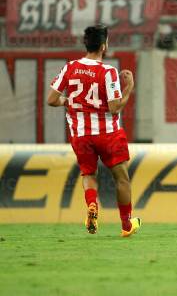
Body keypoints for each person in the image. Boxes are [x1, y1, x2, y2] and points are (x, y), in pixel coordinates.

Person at [46, 24, 141, 237]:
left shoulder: (70, 67)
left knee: (88, 174)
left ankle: (92, 205)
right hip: (108, 133)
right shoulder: (108, 72)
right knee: (121, 178)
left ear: (86, 44)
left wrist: (68, 101)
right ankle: (126, 225)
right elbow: (115, 106)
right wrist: (129, 88)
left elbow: (51, 100)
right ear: (104, 46)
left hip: (80, 134)